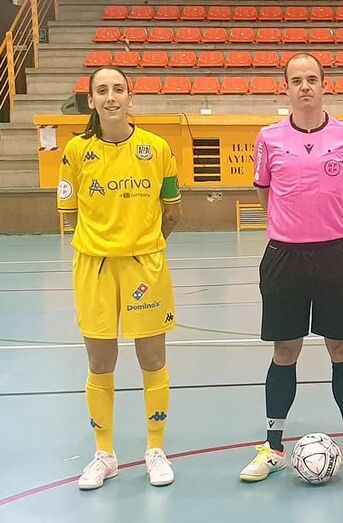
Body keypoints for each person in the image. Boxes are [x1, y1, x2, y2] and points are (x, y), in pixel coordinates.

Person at [239, 53, 343, 482]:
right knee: (285, 351)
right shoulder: (269, 138)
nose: (305, 87)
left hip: (334, 255)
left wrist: (332, 228)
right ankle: (274, 445)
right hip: (284, 257)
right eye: (296, 80)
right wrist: (291, 228)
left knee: (342, 348)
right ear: (286, 88)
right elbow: (266, 195)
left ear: (324, 85)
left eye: (312, 79)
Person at [56, 67, 182, 489]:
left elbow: (172, 212)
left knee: (152, 359)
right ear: (90, 100)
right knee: (100, 362)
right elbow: (68, 215)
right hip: (93, 267)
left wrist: (141, 243)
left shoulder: (158, 148)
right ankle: (104, 454)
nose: (111, 97)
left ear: (131, 97)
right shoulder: (74, 151)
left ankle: (155, 449)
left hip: (145, 264)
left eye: (118, 89)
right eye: (102, 90)